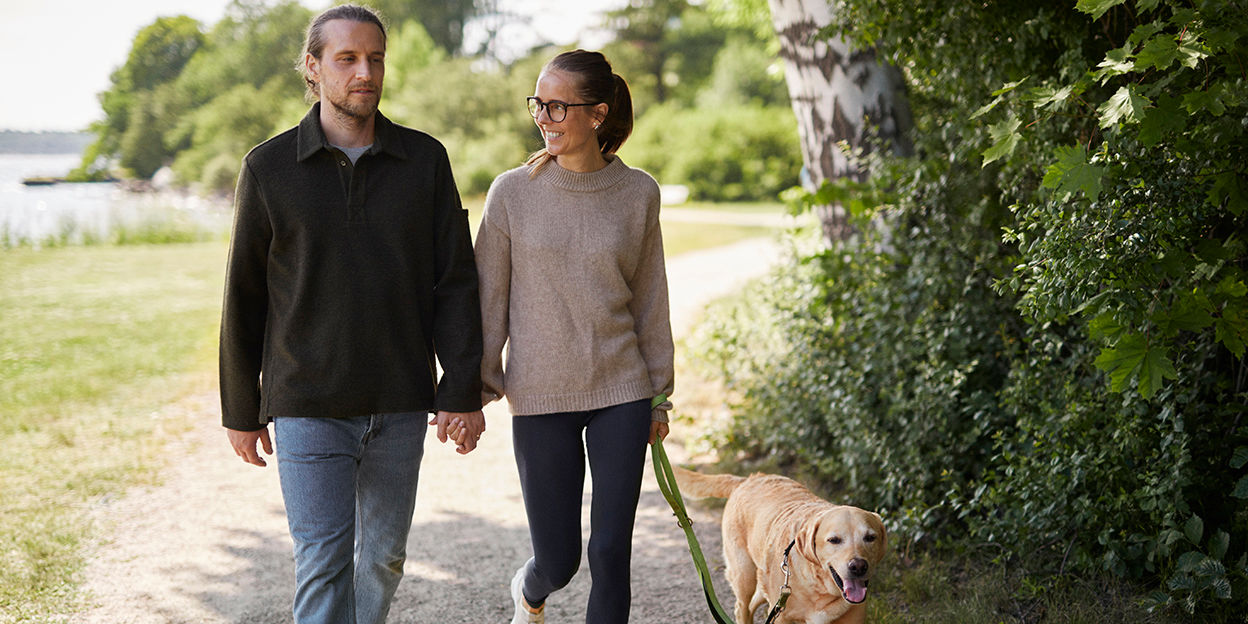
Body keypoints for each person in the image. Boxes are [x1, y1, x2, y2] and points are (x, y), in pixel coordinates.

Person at [218, 5, 485, 623]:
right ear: (313, 68)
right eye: (347, 58)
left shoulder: (425, 161)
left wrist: (460, 388)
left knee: (384, 557)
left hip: (400, 400)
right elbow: (244, 296)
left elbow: (454, 282)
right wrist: (240, 408)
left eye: (375, 58)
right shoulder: (268, 168)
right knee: (322, 559)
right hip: (306, 401)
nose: (365, 72)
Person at [474, 49, 675, 624]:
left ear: (597, 113)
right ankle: (530, 590)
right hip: (541, 394)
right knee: (559, 561)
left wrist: (659, 394)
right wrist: (476, 389)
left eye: (558, 106)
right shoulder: (511, 193)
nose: (543, 116)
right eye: (539, 104)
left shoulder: (639, 192)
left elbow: (650, 298)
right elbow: (488, 301)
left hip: (622, 390)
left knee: (610, 553)